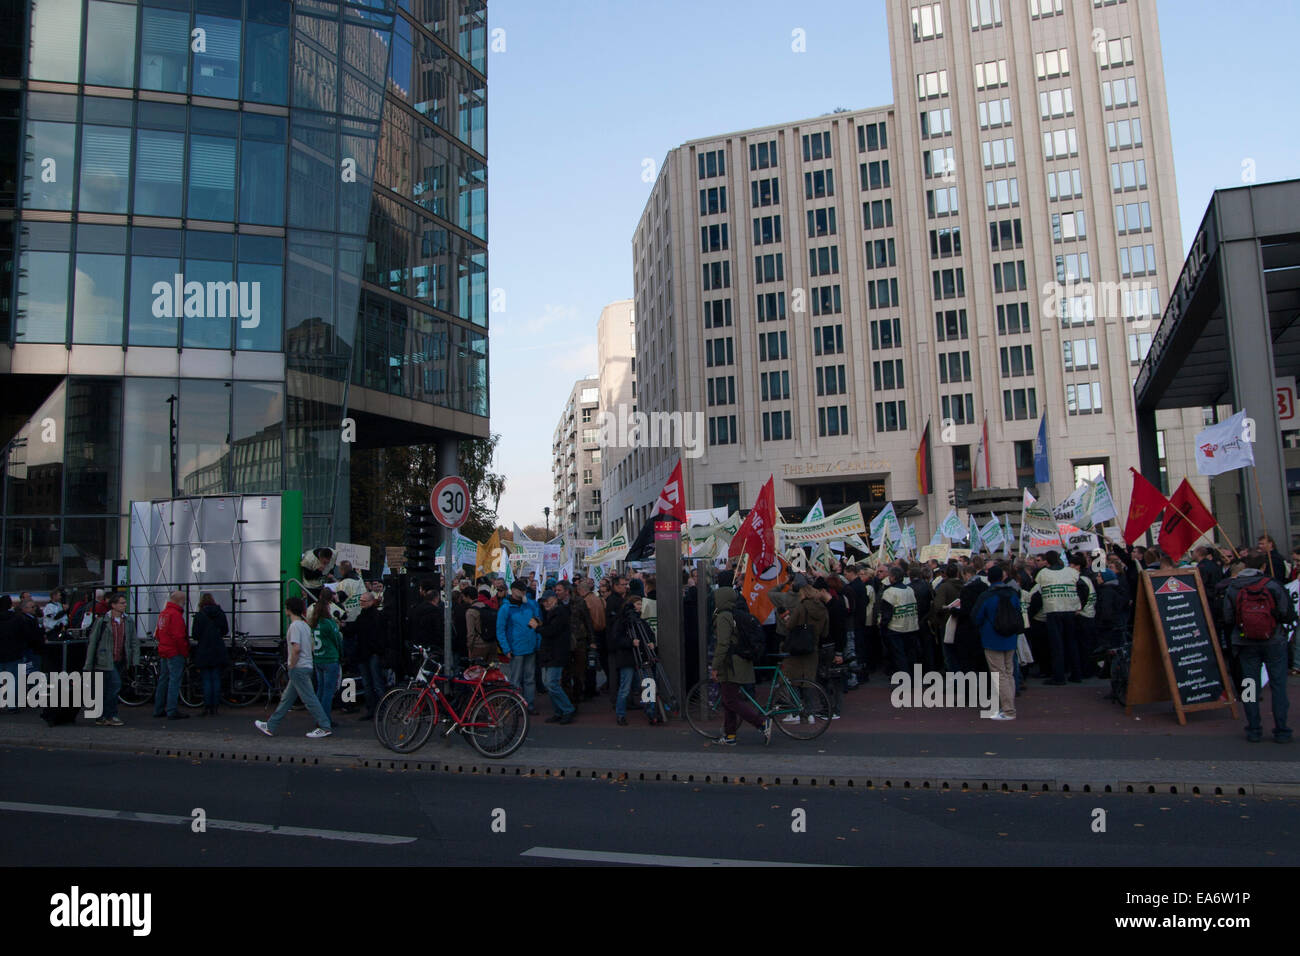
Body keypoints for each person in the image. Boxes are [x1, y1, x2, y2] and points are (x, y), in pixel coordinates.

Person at [1222, 553, 1294, 743]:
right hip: (1273, 640)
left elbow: (1228, 617)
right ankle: (1281, 730)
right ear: (1262, 567)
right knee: (1278, 686)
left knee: (1249, 686)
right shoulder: (1273, 585)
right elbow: (1287, 613)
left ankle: (1253, 728)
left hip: (1245, 642)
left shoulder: (1234, 587)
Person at [256, 597, 332, 738]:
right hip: (306, 665)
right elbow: (311, 647)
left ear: (289, 609)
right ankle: (271, 725)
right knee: (287, 699)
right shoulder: (305, 625)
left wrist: (291, 664)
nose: (285, 609)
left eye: (286, 607)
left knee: (309, 699)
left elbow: (296, 648)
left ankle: (325, 726)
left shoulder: (295, 626)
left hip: (298, 667)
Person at [709, 586, 772, 745]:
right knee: (728, 699)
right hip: (739, 662)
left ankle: (761, 723)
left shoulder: (723, 617)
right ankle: (730, 736)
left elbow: (723, 644)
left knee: (730, 700)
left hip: (731, 664)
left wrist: (715, 666)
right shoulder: (736, 614)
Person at [972, 565, 1020, 720]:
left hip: (992, 637)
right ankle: (1009, 705)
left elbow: (976, 617)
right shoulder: (1013, 593)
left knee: (999, 674)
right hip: (1010, 637)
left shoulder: (986, 596)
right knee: (1008, 672)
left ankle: (1008, 710)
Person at [82, 591, 136, 726]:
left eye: (125, 603)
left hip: (120, 658)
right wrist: (88, 664)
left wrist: (134, 659)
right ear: (113, 605)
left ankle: (102, 715)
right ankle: (111, 714)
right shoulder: (103, 621)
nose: (124, 605)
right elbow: (93, 642)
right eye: (122, 603)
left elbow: (132, 641)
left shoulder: (128, 621)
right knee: (114, 685)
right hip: (105, 659)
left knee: (107, 688)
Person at [1035, 550, 1081, 684]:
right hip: (1070, 609)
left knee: (1057, 645)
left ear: (1047, 561)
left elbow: (1038, 587)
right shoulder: (1072, 572)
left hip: (1053, 609)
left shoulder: (1043, 573)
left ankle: (1059, 677)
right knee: (1072, 643)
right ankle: (1076, 674)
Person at [497, 579, 541, 714]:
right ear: (513, 590)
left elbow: (538, 621)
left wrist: (537, 641)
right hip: (516, 648)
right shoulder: (506, 608)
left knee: (529, 678)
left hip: (530, 647)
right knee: (515, 679)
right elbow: (500, 630)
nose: (522, 592)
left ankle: (529, 705)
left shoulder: (530, 605)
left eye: (524, 590)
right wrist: (506, 649)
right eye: (520, 590)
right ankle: (516, 706)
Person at [344, 590, 387, 719]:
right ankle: (375, 709)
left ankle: (378, 709)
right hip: (367, 652)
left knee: (373, 682)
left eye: (363, 601)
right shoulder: (367, 615)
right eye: (361, 601)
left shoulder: (371, 616)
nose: (361, 603)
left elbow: (355, 630)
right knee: (371, 682)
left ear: (371, 601)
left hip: (369, 652)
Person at [535, 590, 576, 724]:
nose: (545, 604)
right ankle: (559, 710)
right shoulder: (552, 613)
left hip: (556, 653)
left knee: (551, 684)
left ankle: (567, 709)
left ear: (554, 600)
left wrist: (538, 628)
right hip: (550, 653)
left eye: (547, 601)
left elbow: (552, 631)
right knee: (549, 684)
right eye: (544, 601)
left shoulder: (560, 613)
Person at [190, 592, 229, 717]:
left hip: (204, 649)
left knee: (206, 679)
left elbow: (195, 634)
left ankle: (207, 706)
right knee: (216, 678)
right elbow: (225, 630)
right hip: (217, 648)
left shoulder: (199, 615)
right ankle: (215, 707)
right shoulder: (220, 613)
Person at [153, 590, 190, 720]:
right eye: (184, 600)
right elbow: (179, 637)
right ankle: (171, 710)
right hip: (174, 651)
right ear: (180, 601)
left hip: (164, 650)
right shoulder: (176, 615)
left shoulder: (163, 613)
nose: (185, 603)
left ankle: (158, 708)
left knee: (163, 680)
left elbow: (158, 633)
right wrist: (184, 652)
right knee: (174, 681)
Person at [308, 591, 343, 722]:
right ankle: (325, 719)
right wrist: (341, 655)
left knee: (320, 689)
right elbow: (337, 640)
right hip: (330, 658)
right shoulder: (329, 623)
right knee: (328, 692)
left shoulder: (314, 624)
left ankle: (318, 717)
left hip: (318, 658)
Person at [879, 567, 920, 675]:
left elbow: (886, 615)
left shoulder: (889, 592)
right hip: (911, 627)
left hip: (896, 628)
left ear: (892, 577)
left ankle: (904, 680)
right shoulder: (910, 590)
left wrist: (883, 627)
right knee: (911, 654)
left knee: (899, 656)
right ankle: (914, 677)